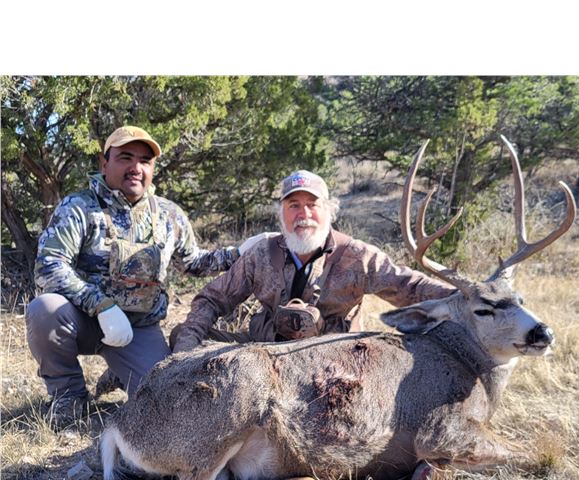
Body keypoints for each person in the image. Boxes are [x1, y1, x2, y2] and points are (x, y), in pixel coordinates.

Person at [26, 125, 268, 429]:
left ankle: (120, 372)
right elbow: (49, 266)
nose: (136, 168)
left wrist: (238, 252)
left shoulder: (169, 214)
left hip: (138, 329)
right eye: (125, 158)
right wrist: (101, 306)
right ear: (104, 163)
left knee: (165, 403)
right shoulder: (78, 208)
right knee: (44, 310)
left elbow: (192, 262)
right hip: (83, 320)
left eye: (145, 161)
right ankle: (69, 396)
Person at [171, 169, 455, 352]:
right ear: (281, 213)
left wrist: (460, 297)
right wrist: (185, 352)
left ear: (329, 211)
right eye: (293, 205)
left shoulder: (357, 256)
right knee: (182, 334)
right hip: (264, 355)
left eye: (312, 205)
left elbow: (410, 286)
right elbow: (212, 299)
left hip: (333, 360)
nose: (303, 214)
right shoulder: (261, 254)